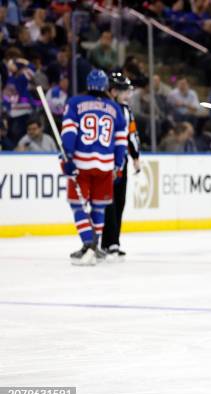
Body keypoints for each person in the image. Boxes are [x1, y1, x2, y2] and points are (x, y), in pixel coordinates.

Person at [59, 69, 128, 266]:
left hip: (81, 163)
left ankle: (88, 243)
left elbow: (69, 132)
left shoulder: (75, 103)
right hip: (105, 166)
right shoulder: (114, 108)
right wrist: (117, 164)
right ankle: (94, 246)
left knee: (77, 204)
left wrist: (68, 156)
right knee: (99, 206)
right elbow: (120, 141)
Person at [102, 72, 141, 259]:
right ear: (113, 91)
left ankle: (113, 241)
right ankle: (107, 241)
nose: (128, 94)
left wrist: (135, 156)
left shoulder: (125, 110)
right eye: (124, 90)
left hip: (120, 161)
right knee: (107, 201)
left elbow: (131, 134)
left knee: (119, 201)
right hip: (105, 162)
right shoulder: (105, 108)